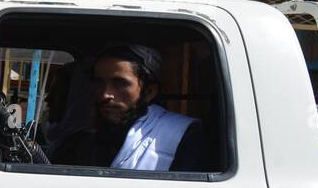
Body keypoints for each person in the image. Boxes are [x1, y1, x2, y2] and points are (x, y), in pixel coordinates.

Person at [51, 43, 207, 172]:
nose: (105, 94)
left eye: (120, 83)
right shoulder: (77, 143)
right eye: (99, 82)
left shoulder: (183, 136)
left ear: (149, 92)